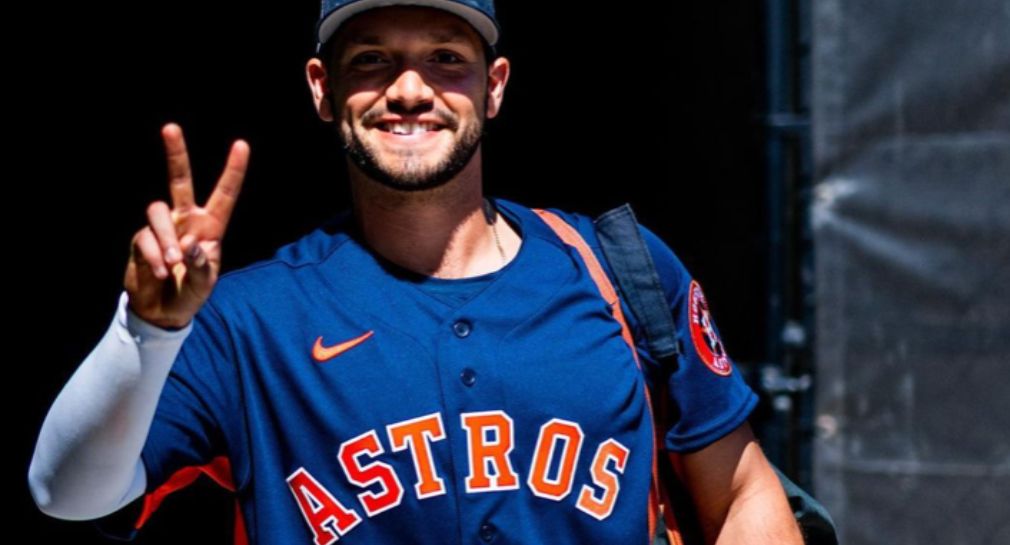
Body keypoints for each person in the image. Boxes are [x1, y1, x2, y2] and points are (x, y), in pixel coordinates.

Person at [28, 1, 804, 543]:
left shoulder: (616, 269)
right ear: (322, 89)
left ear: (494, 86)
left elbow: (743, 493)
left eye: (445, 59)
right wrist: (145, 327)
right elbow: (67, 495)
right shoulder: (252, 319)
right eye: (372, 60)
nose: (408, 89)